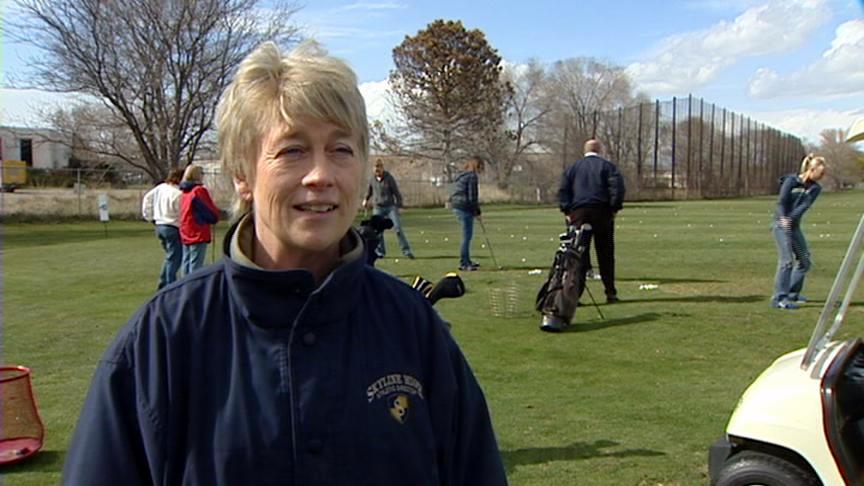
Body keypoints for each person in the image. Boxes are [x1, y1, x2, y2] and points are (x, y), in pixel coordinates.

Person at [62, 41, 507, 485]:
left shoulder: (413, 328)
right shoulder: (164, 339)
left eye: (341, 149)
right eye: (292, 150)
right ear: (242, 173)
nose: (321, 175)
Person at [557, 139, 625, 304]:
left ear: (584, 150)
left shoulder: (573, 168)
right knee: (606, 253)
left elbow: (563, 190)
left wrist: (566, 210)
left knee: (578, 254)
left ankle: (575, 295)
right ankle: (610, 292)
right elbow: (617, 188)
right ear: (599, 150)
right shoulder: (608, 167)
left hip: (579, 212)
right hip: (602, 212)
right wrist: (614, 208)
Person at [770, 153, 826, 310]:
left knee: (804, 260)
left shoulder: (815, 188)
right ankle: (779, 298)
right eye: (820, 173)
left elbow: (804, 206)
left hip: (793, 226)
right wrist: (784, 219)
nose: (822, 177)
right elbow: (781, 202)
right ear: (811, 169)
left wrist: (791, 219)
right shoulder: (790, 181)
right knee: (786, 261)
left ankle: (791, 293)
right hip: (780, 225)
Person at [362, 159, 415, 259]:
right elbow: (369, 192)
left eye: (379, 169)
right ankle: (381, 251)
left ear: (382, 168)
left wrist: (399, 206)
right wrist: (366, 199)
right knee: (378, 231)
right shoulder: (372, 179)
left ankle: (406, 251)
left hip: (390, 207)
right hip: (378, 207)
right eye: (375, 170)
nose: (377, 171)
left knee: (398, 228)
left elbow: (396, 193)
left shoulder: (389, 178)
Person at [141, 168, 183, 289]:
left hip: (159, 224)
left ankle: (164, 280)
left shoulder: (160, 188)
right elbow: (180, 212)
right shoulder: (178, 194)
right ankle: (169, 283)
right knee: (175, 257)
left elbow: (147, 200)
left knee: (170, 256)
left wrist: (149, 217)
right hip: (172, 226)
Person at [179, 164, 220, 275]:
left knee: (186, 262)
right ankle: (193, 289)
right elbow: (207, 209)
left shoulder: (184, 192)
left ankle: (185, 287)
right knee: (195, 264)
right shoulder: (199, 190)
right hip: (197, 230)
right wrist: (215, 216)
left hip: (186, 230)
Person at [449, 156, 485, 271]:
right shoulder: (472, 177)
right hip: (464, 207)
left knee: (466, 236)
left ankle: (467, 260)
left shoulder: (460, 175)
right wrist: (477, 212)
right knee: (467, 236)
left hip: (456, 206)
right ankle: (464, 263)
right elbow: (472, 197)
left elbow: (451, 190)